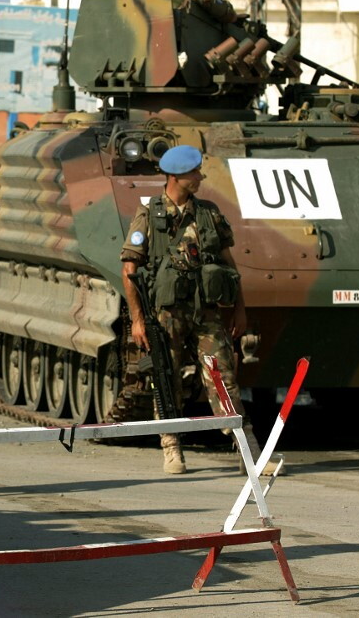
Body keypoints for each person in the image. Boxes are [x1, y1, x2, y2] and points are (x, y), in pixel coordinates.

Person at [120, 145, 277, 476]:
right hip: (166, 317)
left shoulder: (208, 213)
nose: (200, 177)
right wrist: (137, 319)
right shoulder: (149, 214)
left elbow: (229, 266)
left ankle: (249, 452)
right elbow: (130, 270)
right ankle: (171, 448)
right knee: (166, 381)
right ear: (175, 176)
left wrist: (239, 311)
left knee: (224, 379)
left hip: (206, 314)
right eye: (194, 173)